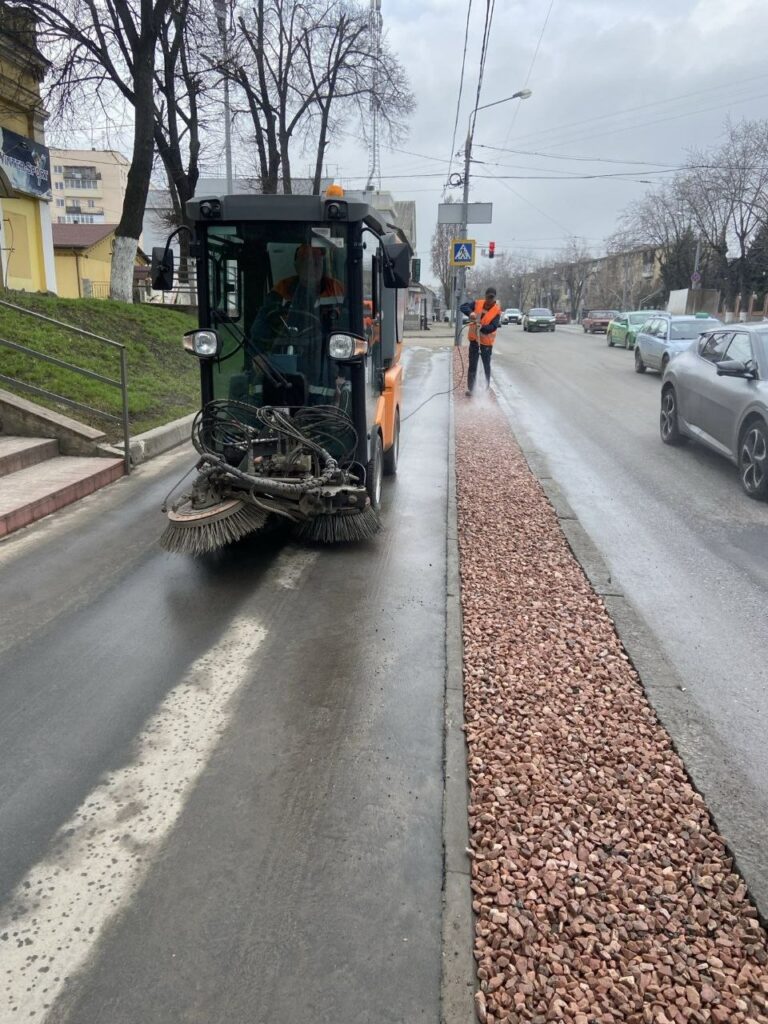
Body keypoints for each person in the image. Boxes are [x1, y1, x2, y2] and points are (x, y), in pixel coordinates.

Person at [460, 286, 502, 396]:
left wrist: (482, 327)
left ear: (494, 298)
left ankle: (485, 389)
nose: (489, 300)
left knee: (485, 366)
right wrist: (470, 313)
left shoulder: (496, 311)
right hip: (474, 341)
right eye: (488, 297)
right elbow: (463, 307)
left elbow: (493, 326)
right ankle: (472, 389)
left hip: (486, 344)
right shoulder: (477, 303)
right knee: (473, 365)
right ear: (485, 296)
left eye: (491, 298)